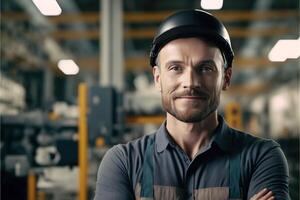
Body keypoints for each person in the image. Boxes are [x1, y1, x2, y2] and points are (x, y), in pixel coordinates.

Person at [94, 9, 290, 200]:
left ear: (226, 78)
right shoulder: (123, 162)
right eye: (175, 68)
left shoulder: (261, 157)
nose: (190, 82)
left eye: (205, 68)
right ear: (157, 78)